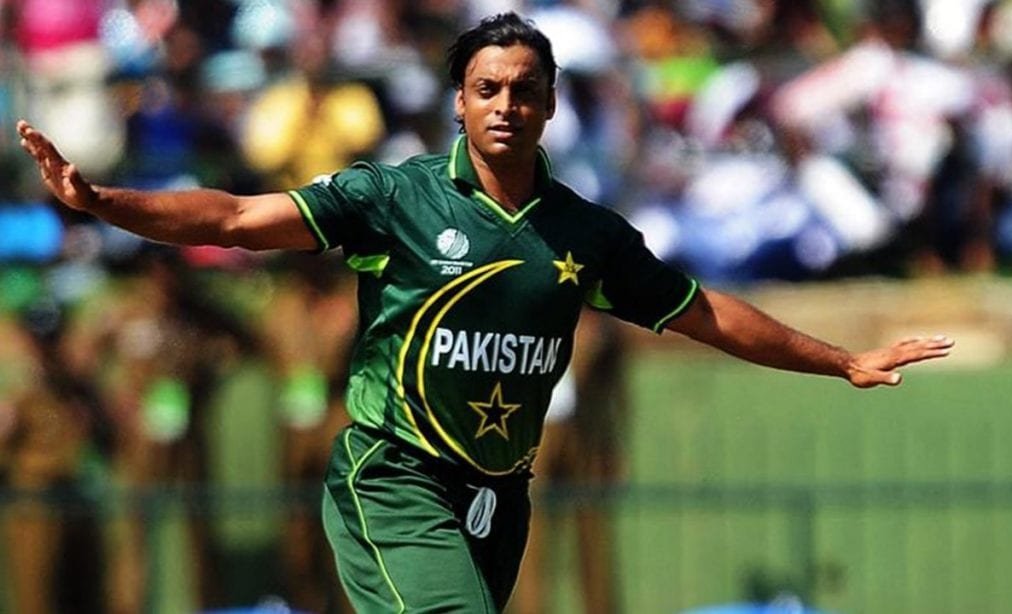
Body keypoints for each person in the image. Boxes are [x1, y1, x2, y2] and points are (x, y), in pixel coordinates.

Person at [17, 12, 954, 613]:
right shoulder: (395, 198)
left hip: (496, 498)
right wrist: (105, 202)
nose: (506, 105)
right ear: (459, 104)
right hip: (393, 478)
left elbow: (703, 312)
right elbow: (233, 218)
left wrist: (841, 361)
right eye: (487, 89)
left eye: (525, 90)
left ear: (550, 106)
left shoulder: (584, 233)